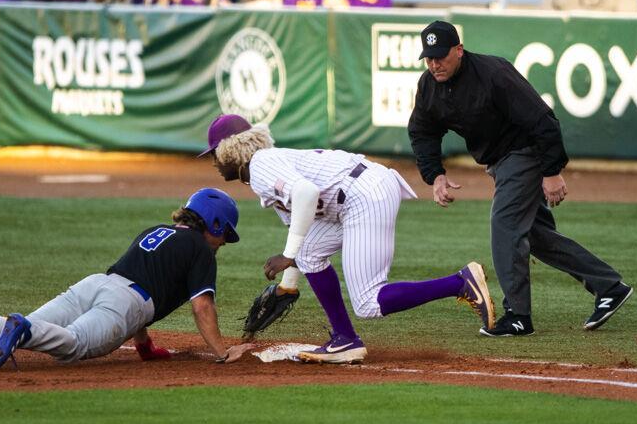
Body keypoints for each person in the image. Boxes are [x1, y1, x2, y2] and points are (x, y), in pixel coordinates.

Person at [202, 114, 495, 364]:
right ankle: (344, 339)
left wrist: (287, 255)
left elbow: (306, 194)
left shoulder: (261, 164)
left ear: (231, 149)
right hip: (359, 192)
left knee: (368, 302)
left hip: (363, 195)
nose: (214, 162)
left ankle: (459, 282)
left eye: (215, 153)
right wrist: (287, 286)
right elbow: (304, 230)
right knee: (310, 253)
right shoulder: (265, 168)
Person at [407, 20, 633, 337]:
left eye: (440, 56)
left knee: (506, 224)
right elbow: (422, 131)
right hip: (499, 162)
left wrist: (552, 172)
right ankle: (609, 286)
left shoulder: (493, 74)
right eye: (429, 57)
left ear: (458, 50)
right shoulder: (429, 85)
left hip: (525, 151)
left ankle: (517, 316)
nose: (434, 64)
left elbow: (543, 120)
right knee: (536, 236)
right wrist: (436, 176)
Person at [0, 188, 254, 370]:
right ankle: (23, 329)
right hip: (125, 302)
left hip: (96, 285)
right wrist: (223, 353)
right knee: (73, 345)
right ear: (216, 225)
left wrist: (144, 346)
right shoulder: (201, 250)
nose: (224, 242)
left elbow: (144, 280)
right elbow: (201, 305)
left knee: (29, 324)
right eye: (225, 235)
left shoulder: (158, 230)